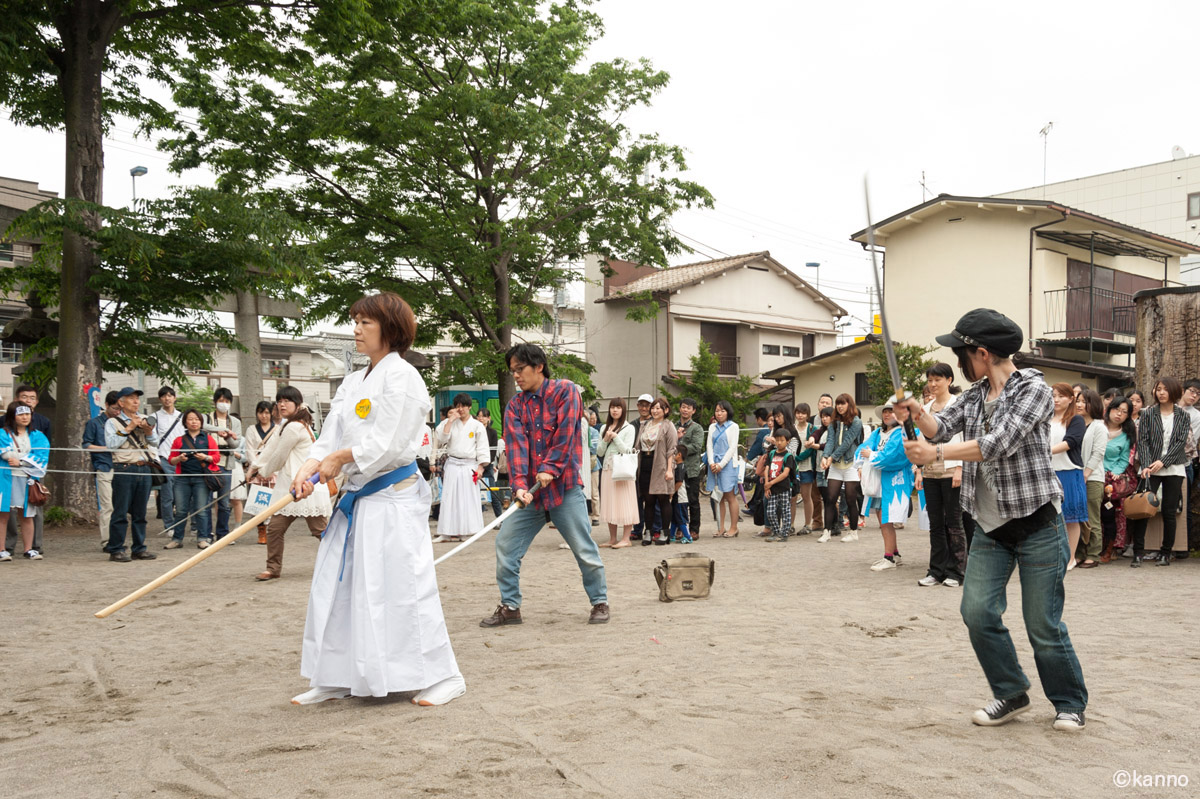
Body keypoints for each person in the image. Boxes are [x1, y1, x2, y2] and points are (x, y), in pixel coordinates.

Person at [901, 308, 1087, 732]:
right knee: (978, 612)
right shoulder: (974, 393)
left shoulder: (1033, 390)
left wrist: (937, 455)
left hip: (1039, 525)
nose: (959, 361)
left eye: (961, 352)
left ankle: (1069, 702)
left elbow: (998, 443)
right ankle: (1011, 691)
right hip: (989, 527)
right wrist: (917, 412)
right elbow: (940, 428)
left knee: (1042, 624)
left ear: (981, 353)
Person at [290, 291, 464, 707]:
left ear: (390, 328)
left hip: (392, 499)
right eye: (355, 320)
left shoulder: (404, 378)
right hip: (356, 502)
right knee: (343, 589)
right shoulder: (353, 382)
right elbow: (331, 435)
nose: (355, 329)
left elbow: (387, 442)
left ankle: (444, 675)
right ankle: (337, 674)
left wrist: (338, 459)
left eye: (364, 322)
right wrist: (309, 465)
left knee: (404, 587)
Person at [480, 343, 609, 627]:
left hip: (565, 489)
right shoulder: (515, 406)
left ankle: (600, 601)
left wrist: (550, 468)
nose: (516, 376)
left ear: (538, 366)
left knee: (584, 548)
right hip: (530, 495)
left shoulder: (566, 391)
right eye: (512, 371)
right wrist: (518, 486)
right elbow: (516, 449)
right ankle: (510, 606)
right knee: (505, 543)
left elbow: (566, 435)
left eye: (520, 369)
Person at [247, 390, 330, 580]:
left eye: (287, 401)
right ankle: (273, 568)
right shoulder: (287, 424)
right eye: (279, 401)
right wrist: (255, 467)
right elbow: (271, 448)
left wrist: (262, 472)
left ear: (297, 404)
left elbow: (279, 456)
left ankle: (344, 560)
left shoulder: (296, 427)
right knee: (275, 528)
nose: (282, 405)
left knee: (321, 531)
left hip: (306, 486)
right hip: (288, 485)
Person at [1126, 376, 1190, 567]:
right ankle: (1138, 552)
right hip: (1149, 468)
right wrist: (1146, 464)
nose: (1161, 392)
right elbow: (1143, 440)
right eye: (1158, 389)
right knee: (1143, 510)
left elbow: (1180, 443)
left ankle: (1165, 552)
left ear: (1173, 391)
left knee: (1170, 512)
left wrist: (1163, 462)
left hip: (1174, 467)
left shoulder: (1183, 415)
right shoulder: (1148, 413)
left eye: (1164, 389)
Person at [918, 364, 966, 587]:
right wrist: (918, 469)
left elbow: (965, 438)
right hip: (930, 471)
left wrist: (960, 468)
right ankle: (936, 570)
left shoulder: (959, 404)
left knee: (954, 522)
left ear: (949, 380)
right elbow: (921, 440)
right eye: (930, 380)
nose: (933, 384)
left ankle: (957, 571)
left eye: (938, 379)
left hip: (951, 469)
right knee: (935, 523)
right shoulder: (925, 408)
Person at [858, 401, 918, 571]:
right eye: (885, 412)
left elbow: (893, 456)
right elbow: (863, 448)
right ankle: (894, 553)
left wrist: (872, 455)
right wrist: (864, 459)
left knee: (886, 520)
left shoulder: (901, 433)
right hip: (880, 481)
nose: (886, 414)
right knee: (884, 518)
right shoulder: (878, 433)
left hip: (893, 482)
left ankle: (889, 557)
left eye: (891, 411)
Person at [103, 387, 159, 563]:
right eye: (131, 398)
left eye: (137, 399)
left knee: (140, 513)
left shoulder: (144, 419)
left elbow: (155, 441)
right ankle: (116, 549)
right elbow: (111, 444)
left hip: (144, 468)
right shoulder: (112, 422)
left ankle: (139, 548)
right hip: (124, 468)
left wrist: (148, 431)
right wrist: (130, 427)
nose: (136, 402)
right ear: (121, 402)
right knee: (120, 512)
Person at [432, 393, 489, 544]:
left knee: (467, 499)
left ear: (469, 407)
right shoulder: (452, 422)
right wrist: (450, 420)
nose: (461, 409)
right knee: (449, 497)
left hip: (469, 465)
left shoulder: (477, 425)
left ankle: (467, 531)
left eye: (463, 406)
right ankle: (446, 532)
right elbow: (441, 438)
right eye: (458, 406)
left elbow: (482, 448)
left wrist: (480, 468)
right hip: (453, 463)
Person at [0, 402, 50, 561]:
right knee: (3, 514)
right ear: (12, 416)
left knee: (27, 515)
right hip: (6, 478)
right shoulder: (3, 433)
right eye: (21, 414)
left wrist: (20, 460)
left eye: (27, 414)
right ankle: (1, 549)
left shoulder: (38, 435)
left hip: (28, 479)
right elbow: (5, 454)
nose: (25, 417)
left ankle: (29, 549)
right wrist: (21, 459)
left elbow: (42, 457)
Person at [166, 409, 218, 549]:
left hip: (202, 479)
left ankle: (202, 538)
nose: (194, 422)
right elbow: (171, 460)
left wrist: (205, 457)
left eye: (197, 419)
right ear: (185, 422)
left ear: (201, 422)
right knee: (181, 510)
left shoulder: (208, 438)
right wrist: (179, 458)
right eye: (190, 419)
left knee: (201, 510)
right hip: (182, 479)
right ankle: (177, 539)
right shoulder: (179, 440)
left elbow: (216, 457)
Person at [1049, 383, 1088, 570]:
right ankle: (1053, 556)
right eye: (1054, 395)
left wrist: (1046, 452)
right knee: (1049, 516)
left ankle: (1071, 557)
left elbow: (1071, 442)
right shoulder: (1045, 418)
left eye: (1061, 396)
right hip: (1048, 472)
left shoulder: (1076, 420)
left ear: (1071, 398)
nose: (1056, 399)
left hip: (1069, 471)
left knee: (1071, 517)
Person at [597, 397, 638, 548]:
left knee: (625, 502)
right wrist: (606, 439)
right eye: (612, 407)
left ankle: (626, 538)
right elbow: (599, 452)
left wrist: (615, 437)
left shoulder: (629, 428)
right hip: (608, 469)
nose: (615, 410)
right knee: (609, 502)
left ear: (623, 410)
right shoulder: (603, 428)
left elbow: (627, 450)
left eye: (618, 407)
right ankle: (612, 538)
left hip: (623, 469)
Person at [636, 397, 678, 546]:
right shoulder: (645, 425)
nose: (654, 410)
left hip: (660, 464)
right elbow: (638, 446)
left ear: (665, 410)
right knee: (648, 500)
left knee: (663, 499)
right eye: (653, 408)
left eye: (658, 408)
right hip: (645, 464)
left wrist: (669, 470)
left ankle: (664, 533)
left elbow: (671, 450)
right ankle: (648, 532)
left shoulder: (668, 426)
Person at [822, 393, 863, 542]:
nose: (839, 406)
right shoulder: (834, 421)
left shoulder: (856, 422)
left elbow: (847, 443)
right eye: (838, 404)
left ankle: (853, 532)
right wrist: (825, 456)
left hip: (851, 464)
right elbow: (830, 441)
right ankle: (826, 531)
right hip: (835, 466)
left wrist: (832, 457)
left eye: (843, 403)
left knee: (851, 499)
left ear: (849, 404)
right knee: (830, 498)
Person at [1099, 397, 1136, 562]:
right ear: (1109, 409)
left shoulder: (1126, 435)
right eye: (1117, 409)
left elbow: (1123, 459)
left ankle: (1108, 549)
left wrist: (1116, 472)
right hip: (1092, 474)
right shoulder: (1097, 427)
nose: (1119, 414)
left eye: (1124, 412)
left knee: (1108, 515)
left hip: (1109, 480)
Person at [83, 391, 120, 550]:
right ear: (106, 405)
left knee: (120, 507)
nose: (117, 412)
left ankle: (118, 539)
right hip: (104, 466)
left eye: (120, 409)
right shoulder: (95, 423)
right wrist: (106, 448)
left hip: (122, 467)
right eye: (114, 408)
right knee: (107, 506)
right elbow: (86, 445)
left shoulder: (124, 422)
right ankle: (107, 541)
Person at [204, 387, 242, 541]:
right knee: (206, 501)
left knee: (224, 502)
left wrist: (227, 437)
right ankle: (205, 534)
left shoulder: (235, 422)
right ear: (215, 402)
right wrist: (221, 429)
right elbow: (203, 427)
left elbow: (235, 444)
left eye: (227, 401)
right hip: (208, 462)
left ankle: (222, 534)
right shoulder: (207, 418)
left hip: (226, 462)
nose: (224, 404)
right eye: (221, 401)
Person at [1076, 389, 1106, 569]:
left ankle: (1094, 554)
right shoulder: (1075, 423)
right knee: (1078, 517)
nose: (1079, 405)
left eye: (1083, 401)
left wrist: (1086, 474)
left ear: (1092, 404)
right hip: (1076, 476)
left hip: (1093, 477)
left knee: (1092, 516)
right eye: (1077, 401)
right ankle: (1079, 552)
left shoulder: (1098, 426)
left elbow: (1098, 453)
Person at [149, 386, 184, 541]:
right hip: (164, 460)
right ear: (160, 399)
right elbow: (152, 440)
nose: (167, 398)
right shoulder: (154, 417)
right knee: (167, 495)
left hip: (182, 460)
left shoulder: (183, 417)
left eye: (170, 395)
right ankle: (169, 526)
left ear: (175, 398)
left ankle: (182, 524)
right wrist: (156, 459)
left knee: (183, 495)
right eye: (164, 396)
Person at [245, 400, 278, 545]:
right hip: (256, 471)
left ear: (271, 413)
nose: (263, 416)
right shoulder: (251, 430)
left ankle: (271, 530)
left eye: (266, 412)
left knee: (272, 502)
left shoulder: (278, 429)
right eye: (260, 412)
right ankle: (261, 531)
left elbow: (278, 451)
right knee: (257, 502)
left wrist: (270, 469)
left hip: (273, 470)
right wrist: (256, 468)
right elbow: (249, 450)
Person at [706, 400, 741, 537]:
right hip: (714, 464)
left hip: (728, 465)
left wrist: (721, 464)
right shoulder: (712, 427)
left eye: (722, 411)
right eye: (717, 410)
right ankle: (721, 527)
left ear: (728, 412)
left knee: (730, 495)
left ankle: (734, 527)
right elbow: (709, 446)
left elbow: (732, 448)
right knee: (718, 497)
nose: (719, 413)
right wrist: (711, 462)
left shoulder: (734, 427)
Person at [677, 398, 705, 539]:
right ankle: (680, 528)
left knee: (693, 500)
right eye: (683, 407)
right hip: (676, 468)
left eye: (688, 408)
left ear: (693, 411)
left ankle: (694, 529)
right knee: (677, 500)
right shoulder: (673, 425)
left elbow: (696, 446)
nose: (685, 410)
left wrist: (678, 448)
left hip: (691, 469)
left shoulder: (697, 428)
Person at [762, 428, 796, 542]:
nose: (779, 442)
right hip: (772, 488)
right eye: (777, 440)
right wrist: (767, 484)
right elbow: (767, 468)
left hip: (784, 488)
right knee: (770, 511)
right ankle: (776, 531)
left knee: (785, 510)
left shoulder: (788, 456)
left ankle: (784, 533)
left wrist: (770, 483)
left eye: (782, 440)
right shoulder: (771, 453)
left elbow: (785, 473)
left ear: (788, 441)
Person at [630, 393, 655, 539]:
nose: (644, 408)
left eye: (647, 405)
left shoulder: (656, 423)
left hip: (650, 464)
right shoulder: (632, 424)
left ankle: (652, 529)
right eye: (642, 405)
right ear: (638, 406)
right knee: (637, 499)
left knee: (652, 498)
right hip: (634, 466)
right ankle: (637, 528)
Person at [792, 403, 818, 535]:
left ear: (808, 414)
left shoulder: (812, 428)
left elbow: (810, 449)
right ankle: (790, 525)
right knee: (792, 497)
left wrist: (797, 458)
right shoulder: (792, 428)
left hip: (806, 466)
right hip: (793, 468)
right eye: (798, 412)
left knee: (806, 496)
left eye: (803, 413)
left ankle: (808, 524)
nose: (800, 415)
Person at [476, 408, 505, 517]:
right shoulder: (474, 430)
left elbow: (493, 451)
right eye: (479, 416)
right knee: (474, 495)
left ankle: (500, 520)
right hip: (474, 466)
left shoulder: (492, 432)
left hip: (487, 466)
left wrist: (485, 464)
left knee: (493, 493)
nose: (481, 419)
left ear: (489, 418)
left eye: (483, 416)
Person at [669, 443, 692, 543]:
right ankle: (671, 535)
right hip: (676, 498)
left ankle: (688, 536)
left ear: (679, 455)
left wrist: (672, 492)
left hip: (680, 498)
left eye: (674, 453)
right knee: (674, 518)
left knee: (681, 518)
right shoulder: (676, 466)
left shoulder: (680, 467)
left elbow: (679, 482)